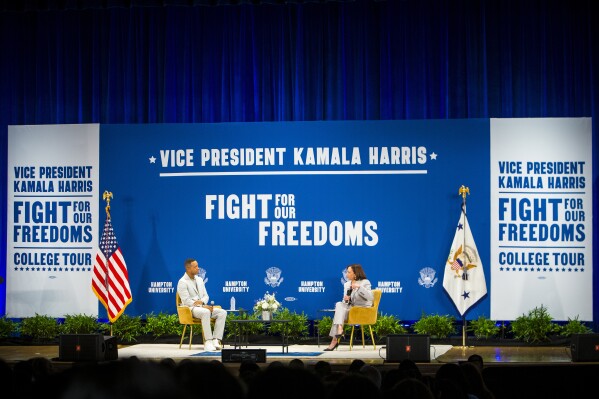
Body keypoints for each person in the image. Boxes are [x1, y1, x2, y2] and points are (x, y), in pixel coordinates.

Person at [177, 258, 227, 351]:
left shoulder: (200, 280)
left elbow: (206, 296)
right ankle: (208, 341)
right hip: (191, 310)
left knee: (222, 312)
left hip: (203, 307)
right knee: (206, 312)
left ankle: (216, 339)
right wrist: (202, 306)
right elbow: (187, 301)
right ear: (188, 268)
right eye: (195, 267)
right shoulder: (182, 282)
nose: (198, 268)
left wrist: (202, 302)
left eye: (197, 266)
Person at [324, 264, 373, 351]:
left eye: (349, 272)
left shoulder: (365, 282)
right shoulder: (347, 284)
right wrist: (347, 299)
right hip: (351, 308)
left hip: (362, 310)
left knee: (338, 315)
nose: (346, 275)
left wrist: (359, 287)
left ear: (355, 274)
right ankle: (340, 328)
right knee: (339, 304)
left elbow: (370, 297)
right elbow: (345, 303)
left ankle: (334, 341)